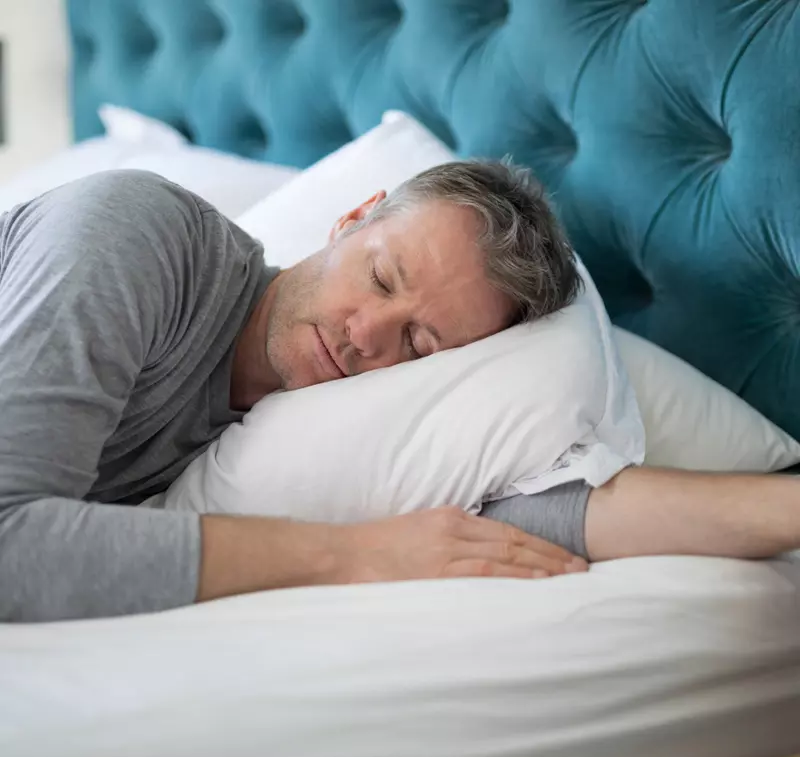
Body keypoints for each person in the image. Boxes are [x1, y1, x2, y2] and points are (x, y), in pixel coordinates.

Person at [0, 164, 796, 623]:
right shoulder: (136, 237)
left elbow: (539, 513)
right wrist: (352, 556)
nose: (367, 334)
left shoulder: (325, 431)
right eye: (381, 277)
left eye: (420, 343)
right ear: (350, 219)